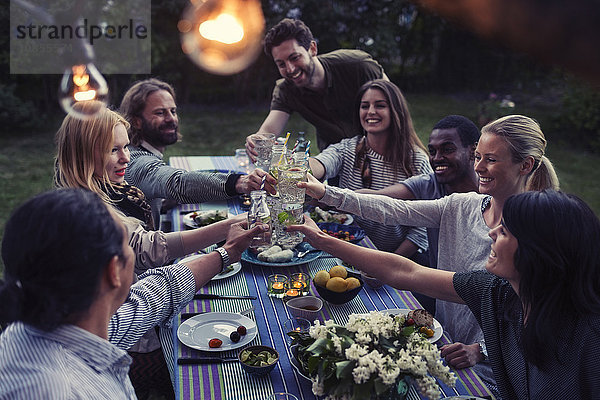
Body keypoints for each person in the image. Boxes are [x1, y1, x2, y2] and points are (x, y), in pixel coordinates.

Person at [297, 114, 560, 395]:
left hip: (492, 367)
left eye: (491, 160)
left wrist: (482, 350)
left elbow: (541, 317)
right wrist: (326, 193)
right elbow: (396, 210)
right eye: (478, 157)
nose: (479, 167)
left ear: (526, 165)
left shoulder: (535, 233)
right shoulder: (463, 205)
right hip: (441, 339)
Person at [287, 189, 600, 399]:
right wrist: (323, 241)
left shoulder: (589, 335)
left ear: (538, 252)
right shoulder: (497, 291)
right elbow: (406, 273)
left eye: (504, 231)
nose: (491, 232)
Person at [53, 103, 247, 399]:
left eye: (125, 147)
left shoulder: (102, 189)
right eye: (112, 150)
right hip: (133, 337)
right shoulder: (90, 211)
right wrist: (226, 230)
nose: (125, 158)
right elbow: (149, 250)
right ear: (83, 153)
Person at [0, 188, 263, 399]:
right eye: (128, 245)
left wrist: (226, 253)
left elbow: (153, 296)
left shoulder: (60, 319)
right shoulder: (62, 390)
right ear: (114, 271)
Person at [119, 78, 276, 229]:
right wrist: (240, 183)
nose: (171, 119)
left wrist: (166, 200)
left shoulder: (142, 152)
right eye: (160, 113)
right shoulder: (135, 161)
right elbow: (178, 183)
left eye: (173, 111)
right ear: (137, 121)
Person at [309, 79, 431, 262]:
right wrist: (300, 167)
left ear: (396, 112)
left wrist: (387, 264)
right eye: (364, 106)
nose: (371, 112)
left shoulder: (417, 161)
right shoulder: (346, 149)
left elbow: (424, 229)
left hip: (396, 259)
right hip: (350, 251)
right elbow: (321, 163)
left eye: (380, 105)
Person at [245, 18, 387, 159]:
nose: (290, 69)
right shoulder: (285, 90)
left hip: (382, 152)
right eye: (281, 64)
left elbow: (396, 109)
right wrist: (257, 141)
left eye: (294, 57)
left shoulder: (358, 66)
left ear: (312, 49)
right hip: (336, 160)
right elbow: (269, 131)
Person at [356, 114, 480, 269]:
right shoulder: (428, 184)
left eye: (447, 149)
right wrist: (327, 194)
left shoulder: (493, 192)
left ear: (473, 151)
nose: (437, 158)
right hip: (439, 284)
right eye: (433, 151)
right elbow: (379, 198)